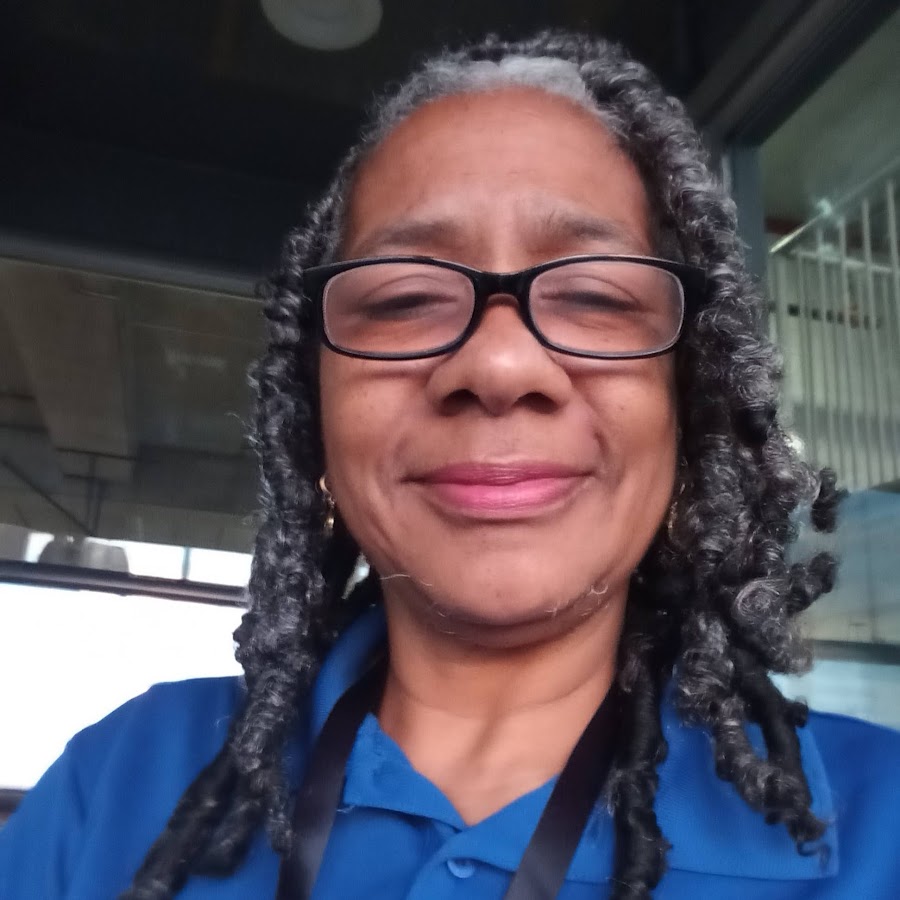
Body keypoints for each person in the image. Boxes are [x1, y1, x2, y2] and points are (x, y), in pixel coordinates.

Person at [1, 30, 898, 900]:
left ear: (687, 407)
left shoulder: (883, 831)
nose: (498, 365)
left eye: (594, 294)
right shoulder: (115, 787)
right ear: (315, 411)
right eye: (405, 299)